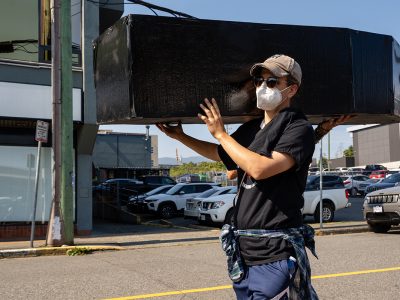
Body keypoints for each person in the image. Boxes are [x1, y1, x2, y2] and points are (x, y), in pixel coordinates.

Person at [156, 54, 351, 299]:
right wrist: (179, 137)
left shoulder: (297, 128)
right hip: (244, 254)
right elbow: (220, 153)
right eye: (259, 81)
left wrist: (221, 134)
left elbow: (260, 168)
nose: (262, 87)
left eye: (272, 82)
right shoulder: (251, 129)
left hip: (274, 255)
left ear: (291, 89)